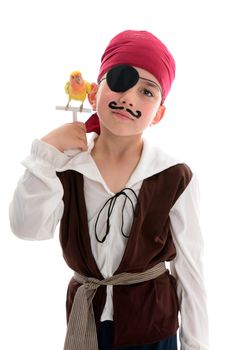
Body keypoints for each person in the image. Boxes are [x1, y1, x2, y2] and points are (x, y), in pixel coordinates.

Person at [9, 30, 209, 350]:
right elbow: (28, 228)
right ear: (92, 93)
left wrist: (196, 345)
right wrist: (45, 155)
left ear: (158, 113)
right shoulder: (65, 167)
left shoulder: (174, 176)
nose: (129, 97)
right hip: (87, 323)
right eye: (120, 79)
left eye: (146, 91)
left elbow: (191, 269)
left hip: (153, 328)